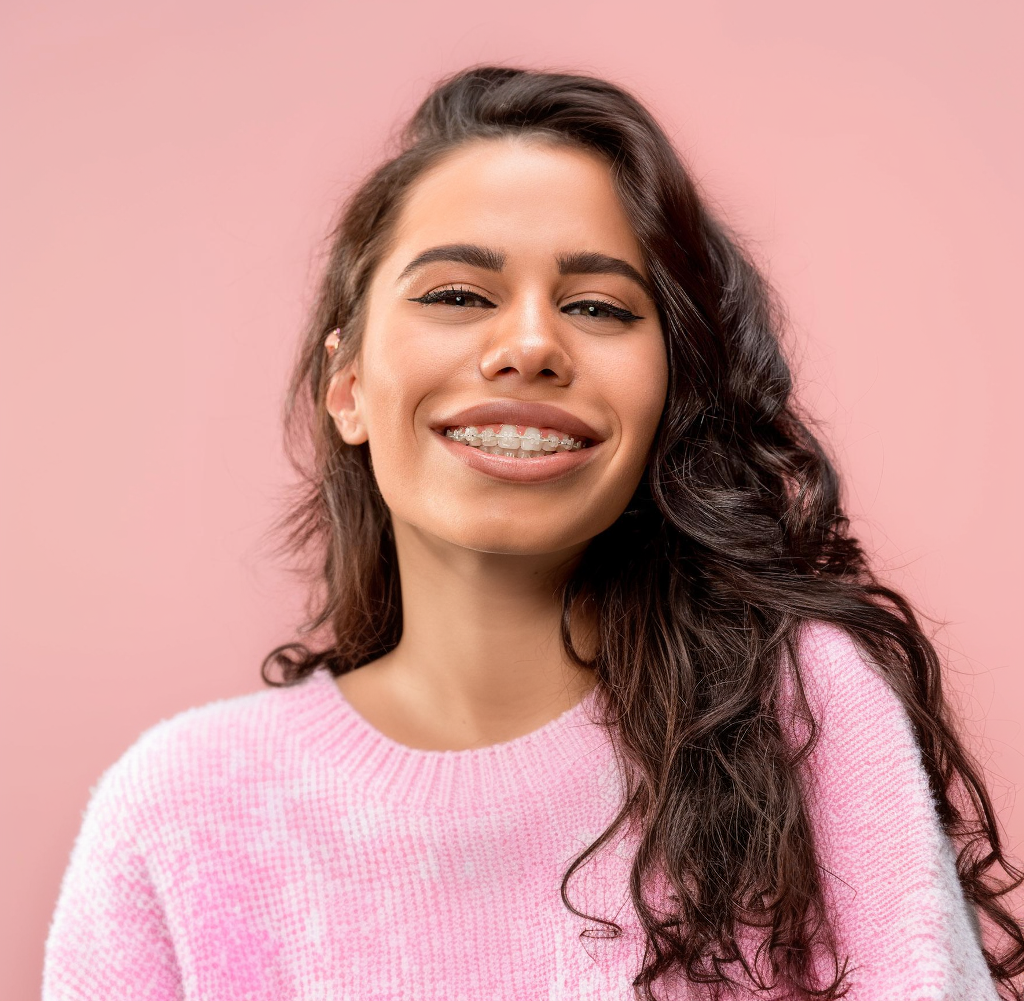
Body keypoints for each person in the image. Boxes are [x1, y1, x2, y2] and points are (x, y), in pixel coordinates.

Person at [42, 64, 1024, 1001]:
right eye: (456, 295)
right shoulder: (176, 812)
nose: (527, 346)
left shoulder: (799, 713)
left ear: (668, 392)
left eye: (598, 306)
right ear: (348, 383)